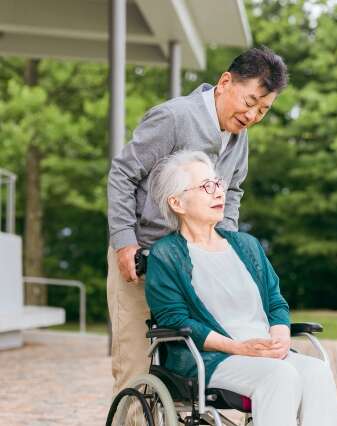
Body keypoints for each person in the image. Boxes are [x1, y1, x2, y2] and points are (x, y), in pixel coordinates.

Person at [106, 47, 288, 394]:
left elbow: (232, 191)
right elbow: (122, 174)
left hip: (199, 264)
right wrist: (124, 240)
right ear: (225, 82)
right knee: (135, 365)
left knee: (210, 357)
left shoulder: (239, 136)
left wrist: (226, 248)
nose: (252, 115)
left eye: (263, 110)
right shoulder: (174, 118)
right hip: (144, 256)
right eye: (249, 102)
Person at [145, 150, 337, 426]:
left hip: (264, 352)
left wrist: (281, 334)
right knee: (280, 376)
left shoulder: (246, 246)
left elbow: (275, 301)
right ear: (177, 202)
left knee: (317, 372)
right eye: (206, 186)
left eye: (218, 183)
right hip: (210, 358)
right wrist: (238, 347)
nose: (218, 192)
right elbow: (175, 319)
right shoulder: (166, 255)